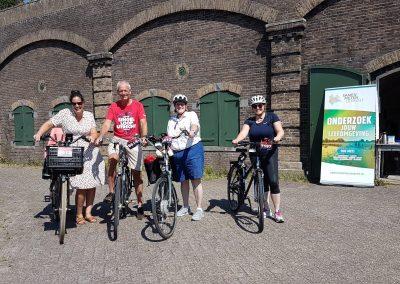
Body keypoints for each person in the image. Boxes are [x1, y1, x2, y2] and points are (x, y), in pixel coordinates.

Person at [34, 90, 105, 225]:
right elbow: (49, 123)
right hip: (72, 151)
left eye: (79, 103)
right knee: (81, 185)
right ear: (71, 104)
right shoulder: (65, 113)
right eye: (74, 103)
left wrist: (93, 137)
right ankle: (79, 214)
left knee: (92, 184)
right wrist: (39, 133)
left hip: (89, 151)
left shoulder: (89, 115)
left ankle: (88, 212)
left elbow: (94, 132)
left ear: (83, 103)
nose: (77, 106)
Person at [95, 80, 148, 219]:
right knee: (112, 160)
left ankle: (140, 204)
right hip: (117, 139)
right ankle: (112, 192)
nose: (123, 93)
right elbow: (107, 123)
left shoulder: (138, 105)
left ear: (130, 92)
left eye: (126, 91)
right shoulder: (114, 106)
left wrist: (143, 137)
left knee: (136, 173)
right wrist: (101, 136)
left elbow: (143, 122)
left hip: (133, 139)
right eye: (121, 91)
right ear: (118, 93)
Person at [232, 95, 285, 222]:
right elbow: (244, 132)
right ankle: (266, 208)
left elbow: (280, 131)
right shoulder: (249, 121)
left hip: (270, 152)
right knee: (261, 180)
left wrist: (277, 138)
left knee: (272, 181)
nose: (257, 108)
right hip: (255, 152)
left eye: (260, 105)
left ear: (264, 105)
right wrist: (237, 140)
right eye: (255, 106)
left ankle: (277, 211)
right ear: (252, 108)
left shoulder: (272, 117)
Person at [167, 94, 205, 221]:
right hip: (177, 152)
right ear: (175, 106)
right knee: (183, 180)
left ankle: (199, 209)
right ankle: (185, 206)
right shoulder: (171, 120)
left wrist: (192, 132)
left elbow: (195, 125)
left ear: (186, 105)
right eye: (177, 104)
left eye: (182, 103)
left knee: (195, 178)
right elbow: (169, 136)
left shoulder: (191, 115)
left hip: (192, 149)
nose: (180, 106)